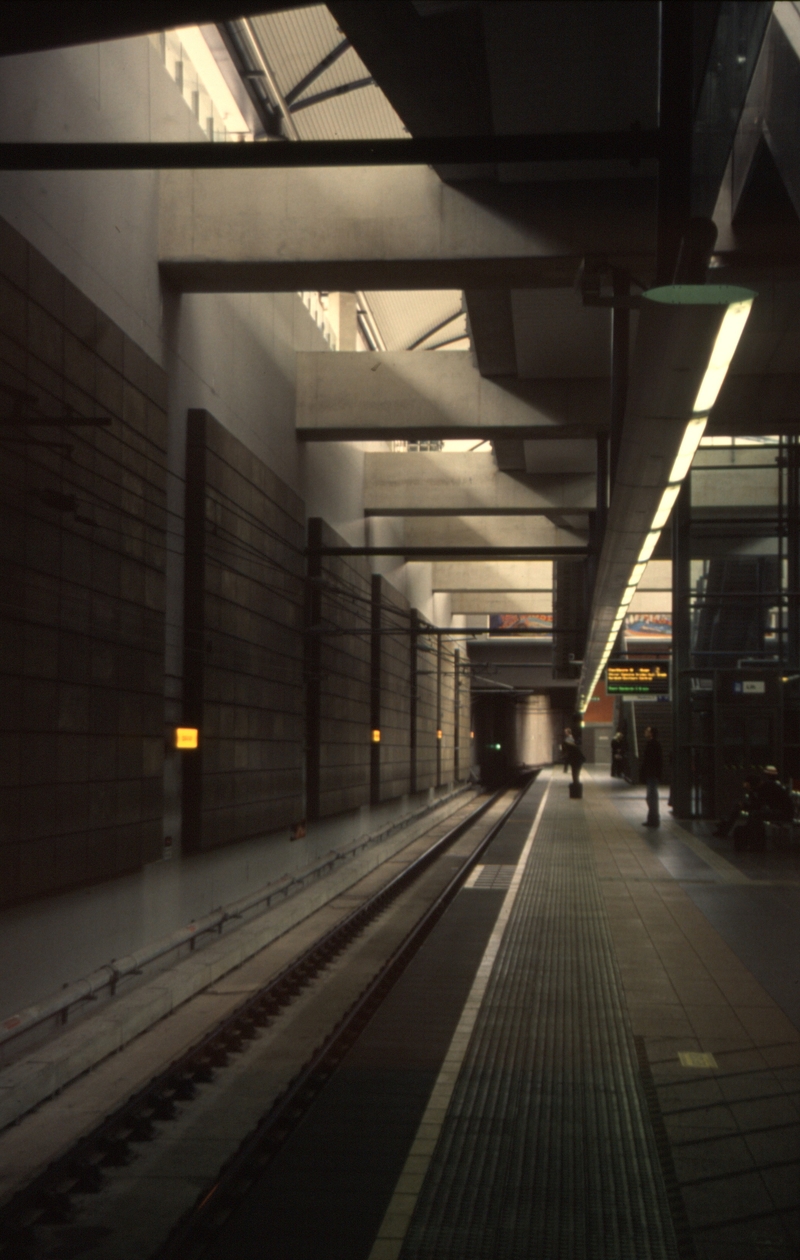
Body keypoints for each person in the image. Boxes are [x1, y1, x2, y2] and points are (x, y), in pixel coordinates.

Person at [640, 725, 662, 827]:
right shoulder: (654, 744)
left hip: (651, 774)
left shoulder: (652, 745)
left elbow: (651, 761)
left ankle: (653, 819)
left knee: (651, 797)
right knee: (651, 797)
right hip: (652, 774)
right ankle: (653, 818)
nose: (645, 732)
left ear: (651, 733)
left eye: (647, 731)